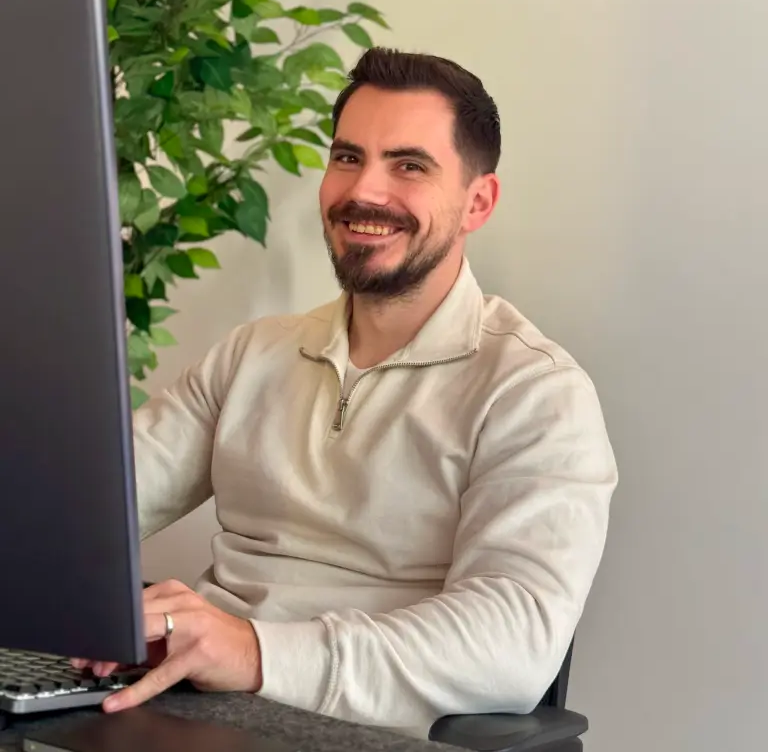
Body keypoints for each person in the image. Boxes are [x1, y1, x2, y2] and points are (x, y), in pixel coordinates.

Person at [76, 47, 618, 738]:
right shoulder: (253, 355)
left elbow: (512, 645)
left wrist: (255, 651)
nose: (365, 191)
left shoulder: (535, 393)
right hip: (191, 709)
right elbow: (88, 518)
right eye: (348, 157)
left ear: (477, 201)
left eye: (409, 165)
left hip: (364, 729)